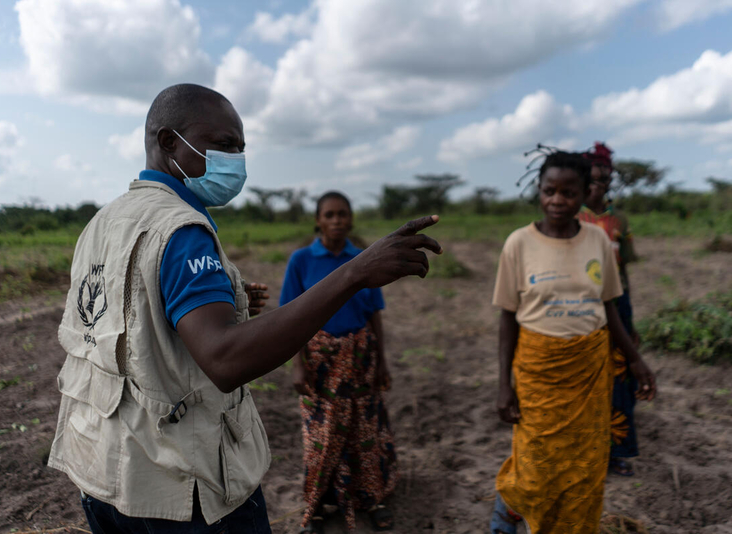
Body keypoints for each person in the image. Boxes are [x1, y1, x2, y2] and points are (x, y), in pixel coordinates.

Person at [47, 83, 442, 534]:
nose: (236, 160)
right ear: (169, 143)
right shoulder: (181, 230)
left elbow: (136, 323)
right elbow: (225, 359)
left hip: (103, 471)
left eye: (240, 148)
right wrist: (354, 273)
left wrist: (229, 302)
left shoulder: (103, 222)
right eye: (223, 144)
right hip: (180, 491)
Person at [490, 150, 656, 534]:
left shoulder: (598, 239)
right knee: (534, 467)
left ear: (584, 193)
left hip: (590, 370)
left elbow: (609, 306)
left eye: (568, 192)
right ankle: (504, 521)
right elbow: (507, 317)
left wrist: (635, 360)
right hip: (538, 371)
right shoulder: (518, 244)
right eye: (550, 191)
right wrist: (503, 384)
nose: (558, 201)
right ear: (539, 191)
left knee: (584, 466)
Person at [280, 192, 395, 533]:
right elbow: (289, 318)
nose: (336, 221)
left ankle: (371, 499)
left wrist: (383, 362)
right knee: (322, 437)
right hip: (320, 367)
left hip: (360, 361)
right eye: (329, 215)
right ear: (318, 220)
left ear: (351, 219)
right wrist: (297, 364)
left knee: (365, 434)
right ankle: (316, 507)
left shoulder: (362, 260)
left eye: (342, 214)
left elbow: (374, 316)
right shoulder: (301, 261)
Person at [579, 142, 642, 477]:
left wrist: (629, 316)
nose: (601, 180)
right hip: (583, 305)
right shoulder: (573, 218)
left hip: (618, 301)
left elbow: (625, 269)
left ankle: (615, 451)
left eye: (606, 174)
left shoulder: (619, 220)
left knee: (620, 375)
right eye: (595, 173)